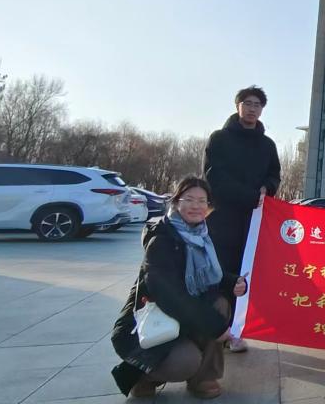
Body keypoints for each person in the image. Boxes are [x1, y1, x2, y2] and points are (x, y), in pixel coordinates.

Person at [111, 177, 249, 399]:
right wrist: (215, 326)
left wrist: (232, 281)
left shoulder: (202, 235)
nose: (196, 206)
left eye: (202, 201)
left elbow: (210, 272)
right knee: (186, 361)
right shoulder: (161, 239)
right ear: (176, 202)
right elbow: (169, 295)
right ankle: (143, 375)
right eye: (189, 199)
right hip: (155, 319)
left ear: (208, 206)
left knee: (221, 304)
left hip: (183, 317)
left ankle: (203, 378)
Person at [203, 85, 280, 352]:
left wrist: (267, 188)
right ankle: (217, 329)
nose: (252, 109)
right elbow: (214, 177)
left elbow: (274, 175)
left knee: (246, 274)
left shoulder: (267, 145)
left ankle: (236, 331)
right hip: (223, 219)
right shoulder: (219, 139)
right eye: (247, 103)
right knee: (222, 273)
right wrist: (249, 195)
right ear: (238, 106)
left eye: (257, 105)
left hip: (254, 221)